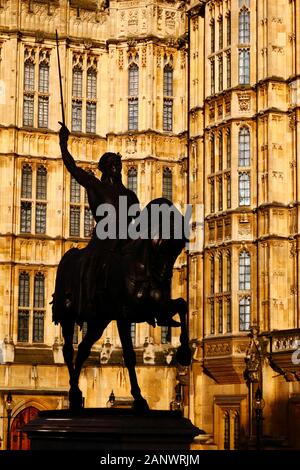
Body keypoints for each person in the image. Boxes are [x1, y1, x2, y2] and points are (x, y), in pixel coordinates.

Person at [58, 122, 140, 321]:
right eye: (113, 164)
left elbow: (138, 223)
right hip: (103, 239)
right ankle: (79, 299)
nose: (117, 168)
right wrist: (63, 143)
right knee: (89, 261)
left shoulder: (129, 195)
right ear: (105, 168)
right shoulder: (95, 186)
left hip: (124, 241)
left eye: (118, 164)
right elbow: (73, 168)